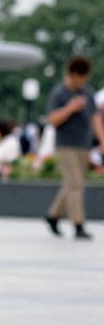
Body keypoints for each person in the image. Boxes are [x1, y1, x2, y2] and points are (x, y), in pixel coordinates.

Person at [44, 55, 104, 240]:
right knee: (76, 185)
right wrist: (70, 108)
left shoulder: (87, 93)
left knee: (71, 184)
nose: (83, 81)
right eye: (81, 77)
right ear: (72, 74)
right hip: (65, 145)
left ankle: (53, 216)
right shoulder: (59, 93)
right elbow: (52, 120)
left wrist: (102, 140)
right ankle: (78, 224)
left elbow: (95, 118)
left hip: (83, 145)